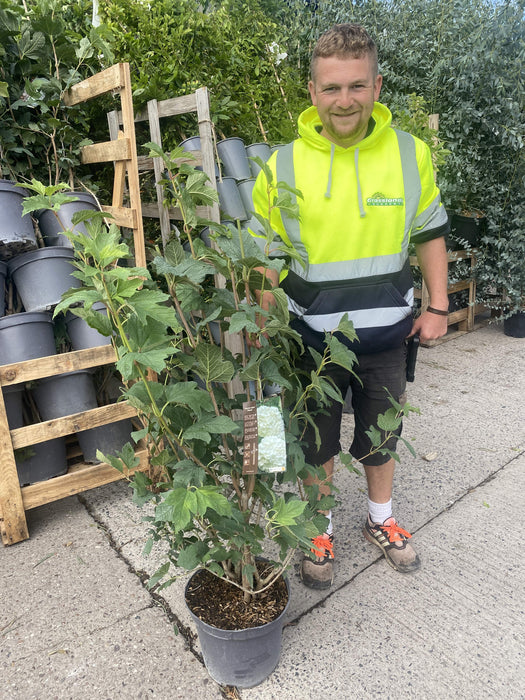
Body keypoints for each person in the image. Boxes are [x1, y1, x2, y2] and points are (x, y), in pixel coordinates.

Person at [249, 23, 450, 589]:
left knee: (381, 435)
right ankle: (320, 527)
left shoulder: (411, 156)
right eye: (332, 88)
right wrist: (263, 326)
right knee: (315, 442)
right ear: (311, 91)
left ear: (377, 86)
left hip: (388, 336)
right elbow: (266, 257)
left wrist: (437, 307)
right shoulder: (280, 167)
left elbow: (431, 233)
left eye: (357, 86)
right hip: (311, 342)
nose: (345, 101)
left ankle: (380, 520)